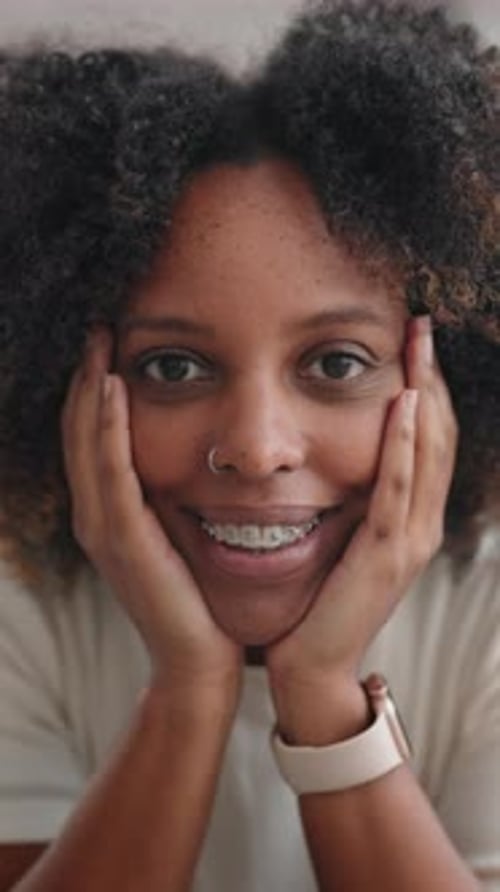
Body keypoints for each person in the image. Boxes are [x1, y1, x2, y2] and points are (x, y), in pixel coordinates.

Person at [0, 1, 498, 889]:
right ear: (67, 382)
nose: (257, 448)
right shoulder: (25, 611)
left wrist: (325, 696)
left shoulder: (485, 612)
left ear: (449, 379)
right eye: (175, 367)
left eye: (337, 361)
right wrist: (188, 690)